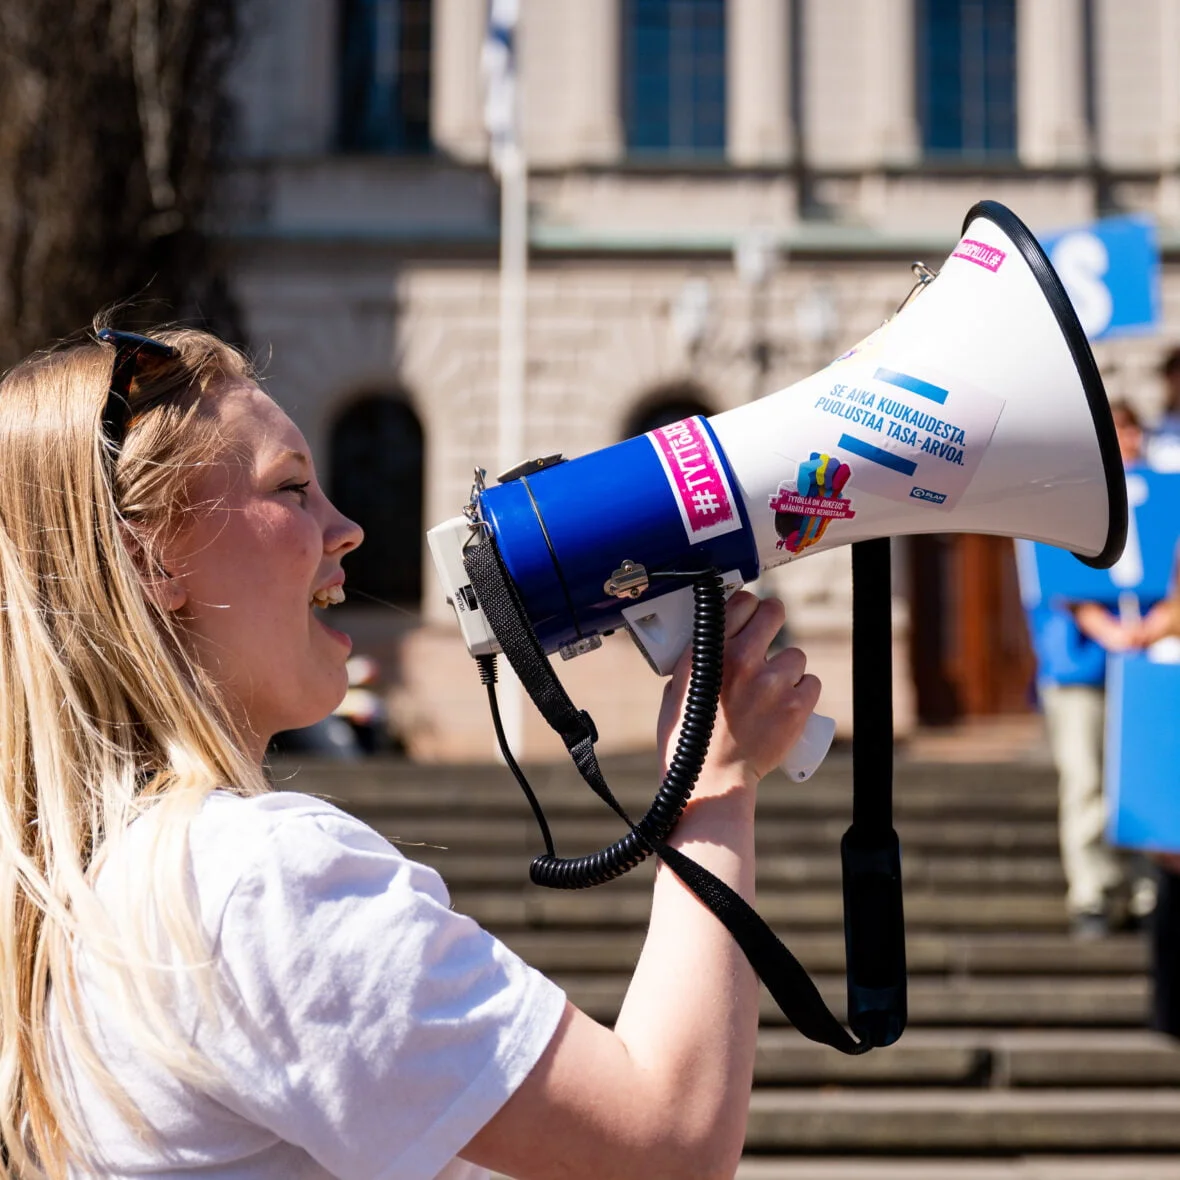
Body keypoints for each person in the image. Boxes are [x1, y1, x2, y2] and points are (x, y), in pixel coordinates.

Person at [0, 324, 821, 1179]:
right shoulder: (255, 881)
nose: (347, 527)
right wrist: (715, 783)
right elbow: (670, 1145)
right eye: (292, 490)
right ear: (151, 558)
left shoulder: (99, 885)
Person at [1030, 401, 1155, 938]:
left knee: (1144, 778)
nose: (1126, 441)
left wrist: (1150, 631)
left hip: (1147, 662)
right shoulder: (1069, 497)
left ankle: (1147, 889)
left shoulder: (1160, 496)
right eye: (1117, 430)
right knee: (1086, 779)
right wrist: (1111, 630)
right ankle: (1095, 890)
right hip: (1081, 665)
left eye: (1131, 430)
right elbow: (1062, 579)